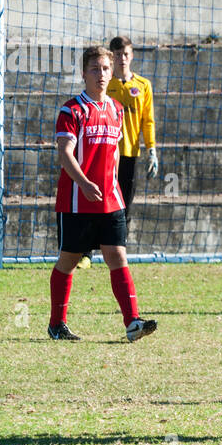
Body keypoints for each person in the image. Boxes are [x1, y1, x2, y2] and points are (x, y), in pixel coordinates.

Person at [48, 46, 157, 343]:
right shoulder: (71, 110)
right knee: (68, 261)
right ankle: (57, 324)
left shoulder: (116, 110)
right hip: (77, 202)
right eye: (94, 69)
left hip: (110, 200)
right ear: (83, 73)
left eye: (105, 69)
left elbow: (115, 155)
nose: (101, 74)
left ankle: (133, 322)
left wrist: (114, 186)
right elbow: (65, 154)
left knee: (117, 256)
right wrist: (83, 182)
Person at [80, 35, 157, 267]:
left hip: (129, 155)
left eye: (126, 54)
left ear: (131, 56)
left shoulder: (143, 86)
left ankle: (117, 250)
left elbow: (148, 120)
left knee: (124, 206)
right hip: (102, 154)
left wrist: (151, 149)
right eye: (118, 55)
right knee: (94, 202)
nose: (123, 59)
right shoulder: (104, 83)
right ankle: (86, 253)